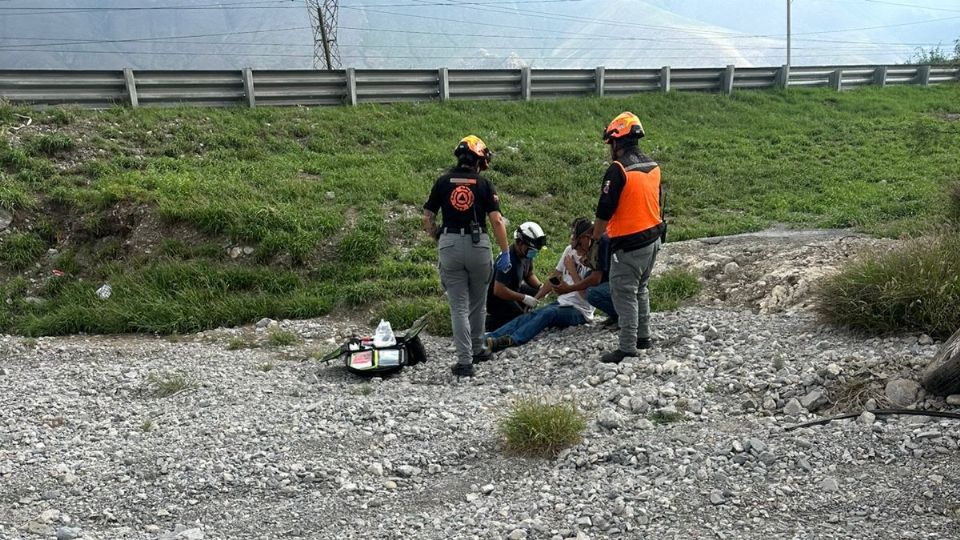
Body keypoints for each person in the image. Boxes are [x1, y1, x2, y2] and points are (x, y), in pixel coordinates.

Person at [423, 135, 512, 377]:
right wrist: (505, 251)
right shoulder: (484, 184)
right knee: (478, 303)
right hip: (478, 245)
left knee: (458, 307)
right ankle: (478, 348)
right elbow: (496, 221)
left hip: (450, 243)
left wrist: (439, 237)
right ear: (479, 161)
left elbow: (427, 218)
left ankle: (464, 362)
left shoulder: (443, 181)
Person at [590, 112, 665, 364]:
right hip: (652, 239)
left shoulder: (618, 169)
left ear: (616, 141)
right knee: (641, 289)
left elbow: (604, 210)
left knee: (624, 293)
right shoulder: (652, 166)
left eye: (610, 143)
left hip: (628, 244)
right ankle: (643, 337)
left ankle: (627, 347)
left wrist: (595, 239)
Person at [484, 218, 595, 352]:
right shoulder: (569, 251)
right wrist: (536, 297)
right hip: (561, 302)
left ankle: (512, 340)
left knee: (548, 313)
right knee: (531, 315)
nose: (574, 246)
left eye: (577, 243)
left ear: (587, 238)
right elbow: (554, 277)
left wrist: (572, 270)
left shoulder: (594, 259)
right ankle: (489, 337)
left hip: (580, 310)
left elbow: (586, 296)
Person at [485, 221, 547, 332]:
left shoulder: (525, 254)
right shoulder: (508, 260)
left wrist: (540, 287)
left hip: (514, 289)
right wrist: (524, 298)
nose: (533, 253)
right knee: (520, 320)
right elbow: (498, 290)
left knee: (539, 294)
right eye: (531, 250)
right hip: (498, 298)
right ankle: (489, 323)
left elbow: (529, 274)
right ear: (519, 243)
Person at [553, 232, 618, 328]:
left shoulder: (601, 242)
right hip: (613, 280)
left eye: (579, 245)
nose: (577, 251)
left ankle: (623, 316)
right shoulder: (573, 251)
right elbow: (555, 275)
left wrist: (571, 276)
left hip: (622, 282)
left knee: (592, 292)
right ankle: (615, 316)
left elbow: (594, 280)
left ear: (587, 238)